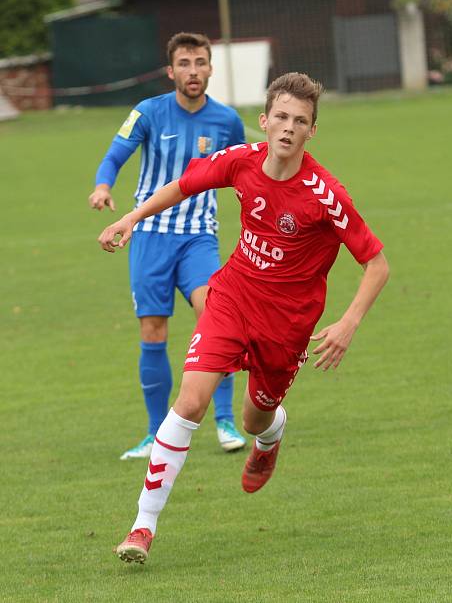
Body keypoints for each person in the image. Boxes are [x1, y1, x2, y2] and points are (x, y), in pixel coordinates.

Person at [98, 72, 390, 564]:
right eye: (281, 117)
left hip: (288, 325)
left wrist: (348, 323)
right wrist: (131, 217)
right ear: (264, 121)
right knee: (190, 403)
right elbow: (182, 186)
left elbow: (376, 264)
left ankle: (269, 437)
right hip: (231, 298)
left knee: (257, 415)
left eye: (300, 121)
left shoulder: (326, 195)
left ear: (312, 131)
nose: (288, 128)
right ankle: (142, 528)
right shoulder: (241, 161)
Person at [89, 32, 248, 459]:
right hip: (150, 239)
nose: (193, 72)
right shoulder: (147, 112)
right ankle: (156, 432)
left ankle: (225, 421)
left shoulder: (227, 121)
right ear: (171, 70)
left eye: (200, 62)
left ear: (211, 68)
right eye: (184, 63)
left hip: (198, 237)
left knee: (216, 315)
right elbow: (115, 155)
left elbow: (244, 173)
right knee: (153, 330)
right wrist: (103, 186)